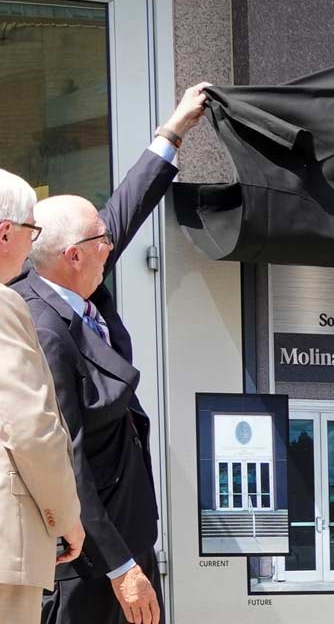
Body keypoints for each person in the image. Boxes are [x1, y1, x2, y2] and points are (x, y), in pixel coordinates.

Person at [11, 83, 209, 624]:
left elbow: (122, 211)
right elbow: (66, 460)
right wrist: (122, 568)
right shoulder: (41, 328)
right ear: (74, 256)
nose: (113, 242)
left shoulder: (73, 276)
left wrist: (174, 131)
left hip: (129, 534)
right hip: (87, 562)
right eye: (103, 241)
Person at [0, 169, 85, 624]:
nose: (33, 246)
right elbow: (31, 426)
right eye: (31, 231)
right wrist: (66, 517)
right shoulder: (3, 304)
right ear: (5, 232)